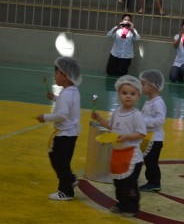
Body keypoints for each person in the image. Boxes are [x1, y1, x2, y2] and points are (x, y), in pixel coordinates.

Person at [91, 75, 147, 217]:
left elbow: (142, 133)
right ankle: (122, 203)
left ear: (138, 96)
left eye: (132, 94)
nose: (128, 96)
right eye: (124, 93)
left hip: (132, 157)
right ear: (119, 94)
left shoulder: (137, 115)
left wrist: (127, 136)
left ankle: (132, 207)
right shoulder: (116, 112)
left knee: (129, 184)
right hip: (117, 154)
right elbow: (112, 127)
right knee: (118, 182)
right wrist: (99, 119)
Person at [36, 57, 82, 201]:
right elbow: (67, 105)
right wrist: (55, 98)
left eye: (56, 73)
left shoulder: (67, 93)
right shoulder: (72, 91)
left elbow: (62, 114)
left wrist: (45, 117)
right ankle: (70, 180)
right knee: (60, 160)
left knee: (59, 161)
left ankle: (66, 190)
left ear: (65, 76)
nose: (54, 76)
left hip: (65, 134)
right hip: (70, 133)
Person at [139, 69, 167, 192]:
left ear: (152, 86)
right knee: (148, 160)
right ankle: (151, 181)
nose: (141, 87)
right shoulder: (149, 101)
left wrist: (143, 122)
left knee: (151, 162)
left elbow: (160, 119)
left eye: (143, 84)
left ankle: (154, 182)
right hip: (148, 137)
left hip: (155, 139)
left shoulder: (158, 102)